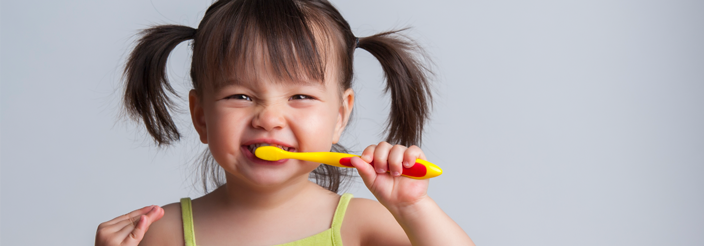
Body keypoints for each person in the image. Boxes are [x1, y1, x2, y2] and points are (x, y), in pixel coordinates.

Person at [95, 0, 474, 245]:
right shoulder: (162, 234)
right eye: (240, 96)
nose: (270, 119)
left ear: (340, 116)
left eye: (300, 97)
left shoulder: (364, 226)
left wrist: (412, 209)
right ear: (201, 117)